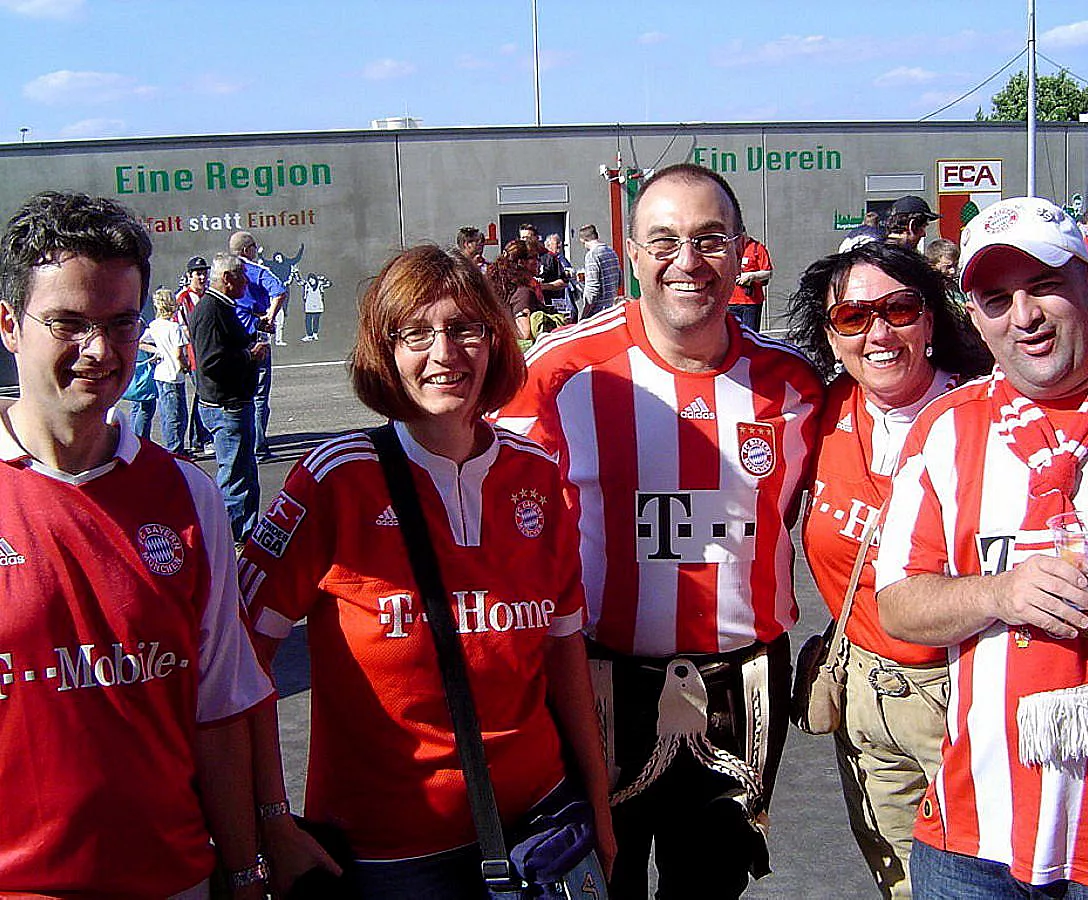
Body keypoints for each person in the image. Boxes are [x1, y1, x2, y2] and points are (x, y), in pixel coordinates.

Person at [238, 244, 615, 896]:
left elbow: (564, 657)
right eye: (416, 332)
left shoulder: (535, 472)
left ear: (496, 341)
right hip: (390, 855)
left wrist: (600, 809)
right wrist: (267, 821)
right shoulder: (335, 480)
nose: (445, 353)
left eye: (465, 328)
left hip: (542, 827)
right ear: (384, 350)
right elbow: (235, 666)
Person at [496, 163, 824, 898]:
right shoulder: (558, 372)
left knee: (709, 887)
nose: (688, 261)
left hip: (739, 689)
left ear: (742, 252)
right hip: (597, 685)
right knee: (599, 882)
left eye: (710, 240)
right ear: (633, 252)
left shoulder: (796, 385)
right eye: (665, 240)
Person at [875, 196, 1088, 899]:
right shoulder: (945, 430)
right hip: (972, 844)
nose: (1023, 317)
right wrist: (998, 593)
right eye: (997, 299)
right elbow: (897, 605)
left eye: (1045, 286)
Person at [0, 190, 274, 897]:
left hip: (175, 879)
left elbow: (218, 708)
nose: (98, 351)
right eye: (67, 323)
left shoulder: (189, 496)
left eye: (121, 324)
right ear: (8, 325)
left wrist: (244, 872)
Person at [787, 241, 992, 899]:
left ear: (930, 320)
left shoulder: (991, 413)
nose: (877, 332)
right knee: (901, 886)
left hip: (971, 699)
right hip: (868, 702)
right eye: (852, 317)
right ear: (830, 333)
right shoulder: (818, 414)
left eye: (899, 309)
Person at [190, 251, 268, 545]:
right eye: (242, 276)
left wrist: (252, 338)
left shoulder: (220, 308)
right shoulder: (211, 311)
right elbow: (211, 362)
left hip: (231, 403)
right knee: (235, 479)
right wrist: (250, 355)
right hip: (226, 406)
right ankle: (229, 542)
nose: (247, 282)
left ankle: (245, 535)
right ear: (227, 279)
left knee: (245, 473)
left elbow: (224, 348)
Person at [229, 231, 286, 461]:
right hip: (255, 335)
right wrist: (270, 317)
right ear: (246, 250)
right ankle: (258, 447)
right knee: (260, 394)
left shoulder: (224, 272)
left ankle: (242, 443)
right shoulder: (256, 271)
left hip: (233, 339)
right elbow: (279, 291)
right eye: (253, 246)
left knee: (239, 393)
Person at [145, 287, 189, 453]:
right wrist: (184, 367)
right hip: (173, 375)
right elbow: (179, 354)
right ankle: (175, 449)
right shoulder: (174, 328)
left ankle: (173, 447)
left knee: (167, 414)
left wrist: (157, 351)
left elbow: (141, 341)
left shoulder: (154, 325)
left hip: (160, 374)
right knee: (177, 416)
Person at [176, 255, 212, 455]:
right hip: (194, 354)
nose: (202, 277)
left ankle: (199, 438)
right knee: (203, 394)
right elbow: (182, 329)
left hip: (209, 352)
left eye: (204, 273)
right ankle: (203, 438)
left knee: (203, 395)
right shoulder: (183, 298)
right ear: (190, 276)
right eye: (198, 273)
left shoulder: (209, 295)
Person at [728, 233, 773, 331]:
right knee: (732, 336)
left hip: (751, 303)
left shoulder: (757, 248)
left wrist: (751, 276)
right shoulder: (728, 249)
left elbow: (768, 273)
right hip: (730, 302)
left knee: (750, 336)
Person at [578, 223, 622, 318]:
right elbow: (619, 280)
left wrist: (584, 314)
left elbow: (592, 289)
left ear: (583, 240)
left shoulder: (592, 255)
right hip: (612, 308)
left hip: (598, 312)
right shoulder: (612, 252)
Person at [545, 232, 579, 322]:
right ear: (549, 245)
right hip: (556, 298)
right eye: (557, 243)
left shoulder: (562, 258)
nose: (560, 244)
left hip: (567, 295)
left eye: (560, 242)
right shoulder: (547, 259)